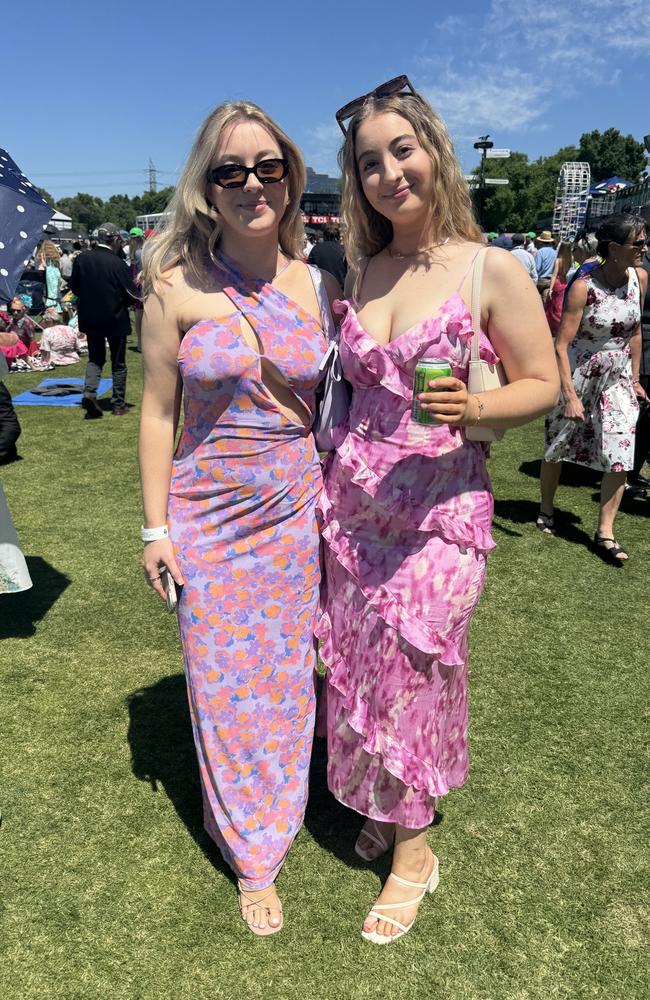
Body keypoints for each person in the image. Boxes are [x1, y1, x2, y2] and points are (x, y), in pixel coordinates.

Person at [321, 75, 559, 945]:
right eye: (370, 161)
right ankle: (386, 802)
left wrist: (478, 409)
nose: (389, 173)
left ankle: (415, 851)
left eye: (402, 150)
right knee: (360, 669)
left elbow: (547, 384)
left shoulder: (486, 266)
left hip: (441, 514)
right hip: (352, 515)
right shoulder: (364, 266)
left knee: (414, 674)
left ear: (435, 153)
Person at [138, 100, 339, 935]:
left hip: (294, 508)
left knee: (287, 678)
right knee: (224, 685)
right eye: (231, 171)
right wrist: (155, 530)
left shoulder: (325, 281)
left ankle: (286, 803)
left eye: (268, 167)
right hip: (208, 520)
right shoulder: (171, 283)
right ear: (206, 187)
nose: (251, 184)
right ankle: (253, 849)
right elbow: (156, 411)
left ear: (290, 177)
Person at [539, 213, 648, 562]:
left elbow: (635, 331)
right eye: (638, 243)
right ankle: (546, 508)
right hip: (580, 371)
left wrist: (634, 378)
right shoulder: (584, 285)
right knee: (559, 442)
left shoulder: (639, 279)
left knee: (621, 450)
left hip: (617, 376)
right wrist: (569, 394)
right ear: (614, 248)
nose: (644, 248)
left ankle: (605, 532)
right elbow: (561, 344)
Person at [68, 222, 138, 417]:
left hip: (90, 317)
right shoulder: (117, 263)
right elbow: (132, 293)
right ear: (115, 239)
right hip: (115, 317)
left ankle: (90, 392)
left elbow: (74, 287)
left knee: (95, 359)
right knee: (118, 362)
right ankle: (118, 404)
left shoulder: (82, 259)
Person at [544, 241, 573, 334]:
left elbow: (554, 275)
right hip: (565, 283)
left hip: (557, 283)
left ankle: (553, 326)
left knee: (553, 307)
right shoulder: (571, 259)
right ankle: (561, 325)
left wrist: (551, 288)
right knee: (561, 305)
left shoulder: (558, 260)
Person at [307, 222, 348, 287]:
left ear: (323, 234)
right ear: (338, 234)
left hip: (322, 289)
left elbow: (310, 271)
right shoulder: (344, 250)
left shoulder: (316, 249)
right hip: (341, 290)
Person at [128, 227, 145, 351]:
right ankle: (142, 343)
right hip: (143, 283)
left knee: (139, 315)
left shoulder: (134, 252)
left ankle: (140, 343)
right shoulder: (142, 251)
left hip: (136, 283)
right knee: (143, 315)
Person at [534, 231, 557, 301]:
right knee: (546, 302)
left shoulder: (540, 252)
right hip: (551, 281)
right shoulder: (555, 252)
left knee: (538, 301)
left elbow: (537, 267)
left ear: (541, 242)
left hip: (541, 280)